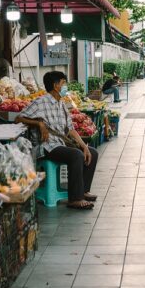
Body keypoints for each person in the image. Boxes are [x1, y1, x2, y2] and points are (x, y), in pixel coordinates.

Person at [17, 71, 99, 210]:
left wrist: (84, 146)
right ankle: (75, 199)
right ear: (56, 86)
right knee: (76, 155)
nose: (65, 86)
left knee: (92, 152)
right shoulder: (40, 102)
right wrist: (39, 124)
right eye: (63, 83)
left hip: (60, 144)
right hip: (47, 146)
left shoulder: (61, 104)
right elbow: (18, 118)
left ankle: (83, 190)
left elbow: (71, 129)